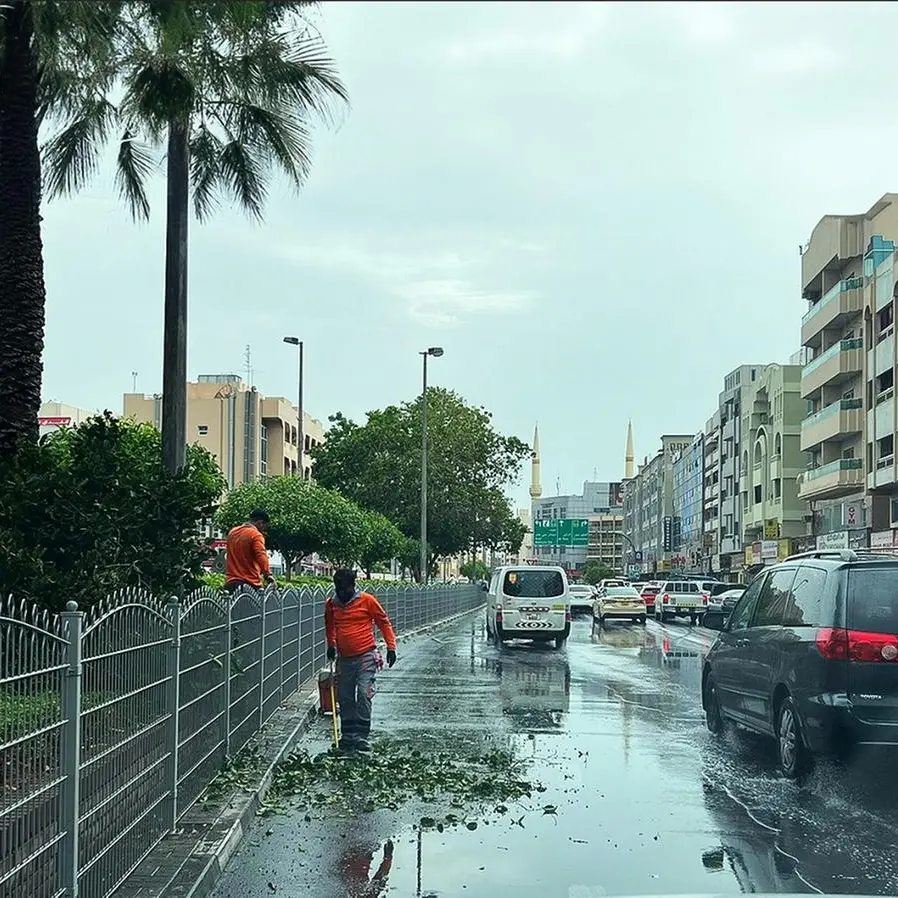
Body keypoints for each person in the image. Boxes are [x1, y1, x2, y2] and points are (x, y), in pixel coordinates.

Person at [325, 568, 397, 752]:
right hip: (344, 659)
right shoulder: (332, 604)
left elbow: (383, 622)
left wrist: (391, 647)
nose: (342, 593)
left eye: (345, 589)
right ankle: (348, 736)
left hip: (366, 656)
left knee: (364, 694)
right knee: (345, 697)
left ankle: (362, 736)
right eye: (339, 589)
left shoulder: (367, 601)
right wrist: (331, 645)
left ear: (353, 586)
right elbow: (330, 625)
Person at [224, 509, 275, 593]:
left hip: (231, 582)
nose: (263, 530)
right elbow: (261, 555)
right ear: (260, 523)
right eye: (264, 527)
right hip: (249, 583)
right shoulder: (255, 535)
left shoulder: (232, 532)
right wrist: (267, 574)